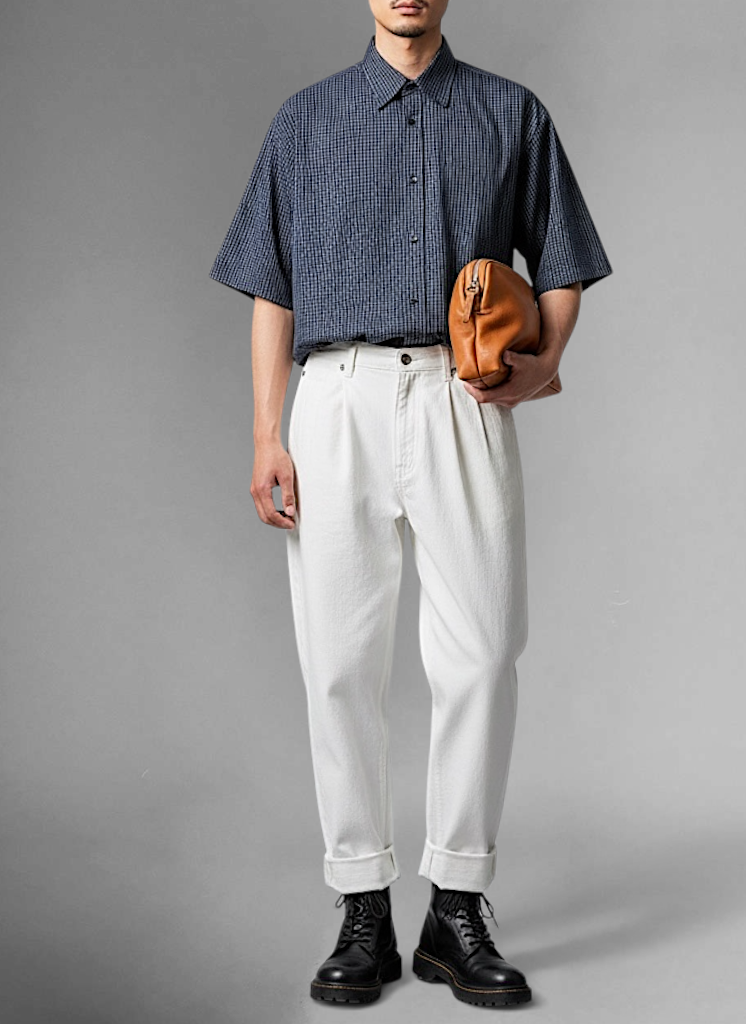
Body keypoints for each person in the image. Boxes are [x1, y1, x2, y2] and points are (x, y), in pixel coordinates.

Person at [209, 0, 612, 1008]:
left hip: (456, 394)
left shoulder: (510, 113)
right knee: (338, 662)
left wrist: (545, 360)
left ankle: (455, 907)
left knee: (483, 652)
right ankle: (361, 906)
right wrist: (266, 434)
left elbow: (563, 261)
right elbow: (272, 287)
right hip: (334, 397)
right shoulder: (305, 120)